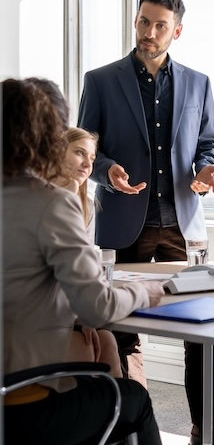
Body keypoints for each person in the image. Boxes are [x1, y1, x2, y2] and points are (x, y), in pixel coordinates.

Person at [77, 0, 214, 445]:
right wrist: (107, 172)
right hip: (126, 225)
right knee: (124, 333)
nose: (149, 31)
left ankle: (211, 428)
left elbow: (210, 143)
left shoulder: (199, 83)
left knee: (200, 333)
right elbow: (87, 148)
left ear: (176, 31)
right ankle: (134, 430)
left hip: (182, 229)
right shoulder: (101, 80)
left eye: (160, 25)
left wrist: (207, 169)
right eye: (144, 21)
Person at [2, 78, 165, 445]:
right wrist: (147, 292)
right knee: (134, 399)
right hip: (25, 404)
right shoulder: (50, 203)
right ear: (49, 137)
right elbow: (98, 308)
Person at [55, 126, 123, 378]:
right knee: (88, 347)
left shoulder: (87, 204)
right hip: (43, 311)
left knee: (107, 342)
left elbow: (84, 263)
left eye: (92, 158)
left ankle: (117, 414)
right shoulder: (39, 201)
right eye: (79, 153)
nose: (87, 164)